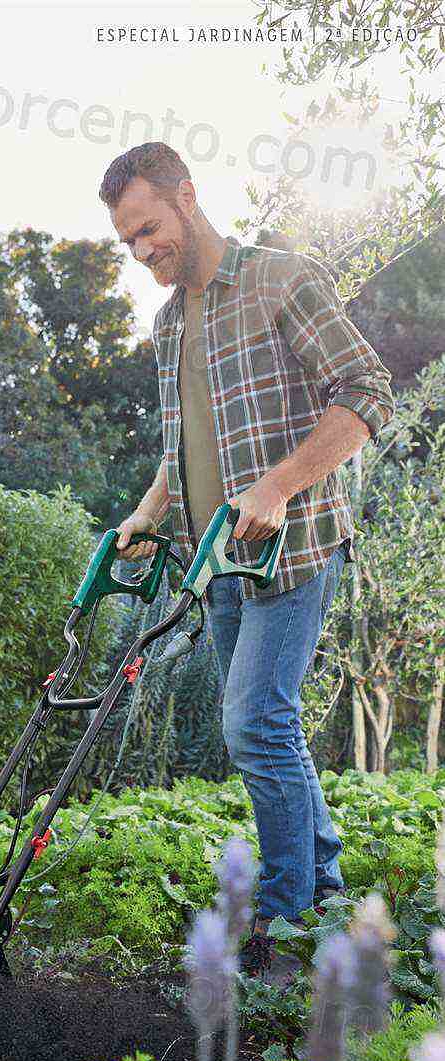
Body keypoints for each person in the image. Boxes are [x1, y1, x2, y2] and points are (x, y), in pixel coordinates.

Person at [98, 142, 394, 980]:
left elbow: (367, 389)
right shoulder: (168, 326)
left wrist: (281, 485)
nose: (141, 249)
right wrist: (147, 516)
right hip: (214, 563)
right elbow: (177, 449)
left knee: (253, 722)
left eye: (148, 228)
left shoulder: (279, 280)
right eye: (127, 240)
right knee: (270, 729)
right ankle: (325, 889)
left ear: (186, 199)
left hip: (292, 550)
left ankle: (285, 925)